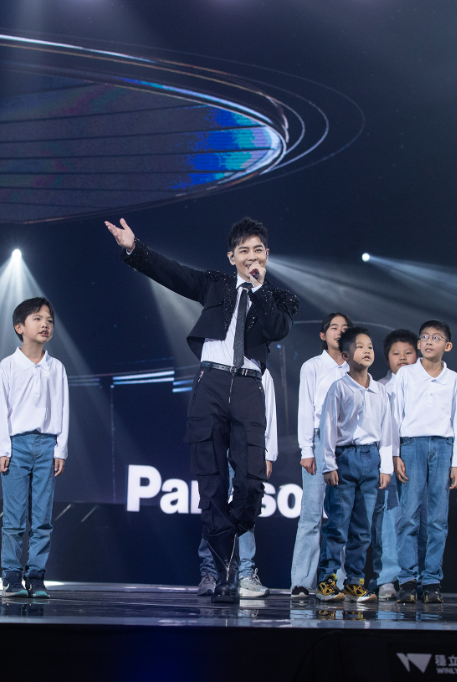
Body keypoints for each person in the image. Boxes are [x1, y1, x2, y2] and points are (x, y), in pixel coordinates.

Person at [106, 217, 297, 603]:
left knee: (250, 484)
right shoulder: (215, 284)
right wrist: (134, 248)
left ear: (267, 254)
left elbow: (277, 329)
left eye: (257, 250)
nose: (251, 256)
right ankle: (225, 574)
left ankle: (230, 544)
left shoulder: (278, 298)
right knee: (211, 487)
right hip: (210, 384)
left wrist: (259, 288)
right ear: (231, 257)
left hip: (249, 387)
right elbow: (172, 273)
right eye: (243, 250)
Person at [0, 297, 70, 599]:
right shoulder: (9, 365)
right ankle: (11, 576)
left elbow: (62, 409)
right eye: (37, 319)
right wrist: (2, 449)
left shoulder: (56, 367)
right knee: (13, 519)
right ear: (19, 327)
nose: (45, 324)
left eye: (49, 320)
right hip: (17, 445)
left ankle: (36, 575)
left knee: (42, 518)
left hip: (47, 445)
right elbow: (0, 409)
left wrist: (60, 449)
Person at [315, 327, 393, 602]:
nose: (367, 351)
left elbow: (387, 431)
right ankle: (327, 580)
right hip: (345, 457)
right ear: (346, 355)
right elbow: (328, 427)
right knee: (338, 524)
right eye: (360, 347)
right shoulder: (339, 387)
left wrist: (385, 468)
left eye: (369, 346)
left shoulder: (380, 390)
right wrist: (329, 465)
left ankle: (354, 581)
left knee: (362, 528)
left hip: (371, 459)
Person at [392, 320, 457, 604]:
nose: (429, 341)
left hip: (443, 447)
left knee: (437, 518)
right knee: (409, 515)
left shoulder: (453, 378)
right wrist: (395, 454)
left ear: (447, 346)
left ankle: (432, 579)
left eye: (436, 337)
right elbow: (395, 415)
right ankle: (407, 579)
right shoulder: (406, 374)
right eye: (424, 337)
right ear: (419, 343)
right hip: (412, 445)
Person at [198, 368, 278, 599]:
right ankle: (211, 572)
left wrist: (268, 454)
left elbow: (269, 411)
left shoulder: (260, 369)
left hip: (247, 445)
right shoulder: (214, 364)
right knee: (214, 505)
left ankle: (245, 574)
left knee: (246, 504)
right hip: (216, 441)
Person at [290, 312, 352, 599]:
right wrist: (306, 449)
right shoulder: (313, 366)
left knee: (341, 517)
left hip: (347, 446)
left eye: (344, 328)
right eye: (334, 327)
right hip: (318, 441)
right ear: (323, 335)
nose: (339, 332)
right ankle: (302, 582)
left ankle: (336, 582)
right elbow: (305, 408)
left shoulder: (355, 368)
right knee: (312, 515)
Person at [370, 329, 419, 601]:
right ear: (387, 357)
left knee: (412, 518)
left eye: (408, 353)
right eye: (396, 353)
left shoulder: (423, 385)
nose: (402, 358)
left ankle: (411, 578)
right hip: (386, 460)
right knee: (388, 520)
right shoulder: (379, 387)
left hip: (415, 457)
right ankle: (387, 578)